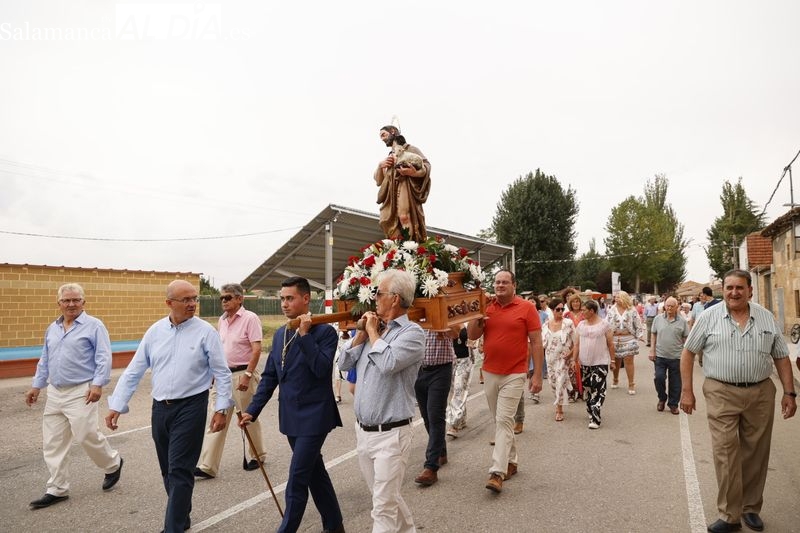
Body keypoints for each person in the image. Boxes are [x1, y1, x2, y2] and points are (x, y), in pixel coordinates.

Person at [106, 280, 233, 533]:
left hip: (191, 407)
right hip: (160, 409)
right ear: (169, 303)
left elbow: (222, 372)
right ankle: (181, 515)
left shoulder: (205, 332)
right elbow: (134, 370)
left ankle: (172, 527)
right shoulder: (155, 332)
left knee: (179, 469)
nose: (192, 304)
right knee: (167, 469)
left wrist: (221, 409)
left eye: (194, 299)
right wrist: (117, 404)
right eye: (185, 300)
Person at [680, 270, 796, 533]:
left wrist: (790, 393)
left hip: (760, 393)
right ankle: (730, 515)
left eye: (740, 288)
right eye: (729, 287)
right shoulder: (708, 317)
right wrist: (687, 391)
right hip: (721, 391)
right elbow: (687, 353)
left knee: (756, 452)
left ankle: (750, 508)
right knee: (726, 452)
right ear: (723, 290)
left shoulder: (766, 317)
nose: (734, 292)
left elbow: (781, 357)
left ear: (750, 290)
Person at [240, 277, 345, 533]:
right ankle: (335, 526)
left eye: (290, 298)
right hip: (291, 417)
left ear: (306, 299)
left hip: (315, 416)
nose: (284, 304)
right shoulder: (279, 334)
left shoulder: (325, 332)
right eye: (282, 299)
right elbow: (270, 377)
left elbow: (322, 370)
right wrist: (252, 410)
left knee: (297, 478)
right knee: (314, 475)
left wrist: (306, 336)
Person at [338, 269, 425, 533]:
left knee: (382, 506)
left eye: (379, 293)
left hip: (391, 435)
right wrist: (361, 336)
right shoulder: (371, 331)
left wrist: (373, 334)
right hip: (363, 432)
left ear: (395, 299)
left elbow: (388, 363)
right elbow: (342, 364)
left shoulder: (413, 333)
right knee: (385, 497)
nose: (374, 298)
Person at [26, 283, 123, 510]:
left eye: (76, 300)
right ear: (58, 303)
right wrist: (36, 386)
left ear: (83, 302)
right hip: (55, 392)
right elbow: (45, 359)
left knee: (86, 434)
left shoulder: (94, 326)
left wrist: (98, 384)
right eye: (66, 300)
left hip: (82, 391)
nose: (71, 304)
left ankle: (113, 463)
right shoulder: (53, 328)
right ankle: (57, 489)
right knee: (53, 442)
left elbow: (103, 357)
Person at [467, 269, 543, 494]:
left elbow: (537, 343)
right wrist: (479, 314)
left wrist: (537, 374)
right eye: (497, 282)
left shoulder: (527, 308)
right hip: (490, 371)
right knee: (501, 422)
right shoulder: (486, 306)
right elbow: (472, 335)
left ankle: (496, 472)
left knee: (503, 420)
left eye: (504, 282)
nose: (499, 286)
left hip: (515, 373)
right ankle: (511, 462)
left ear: (514, 286)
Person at [194, 283, 266, 479]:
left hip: (243, 374)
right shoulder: (222, 320)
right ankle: (208, 465)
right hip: (223, 376)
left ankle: (258, 455)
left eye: (228, 297)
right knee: (217, 417)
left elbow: (257, 349)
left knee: (248, 418)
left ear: (239, 299)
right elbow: (218, 350)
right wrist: (213, 374)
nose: (223, 301)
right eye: (222, 298)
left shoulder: (250, 318)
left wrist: (248, 374)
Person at [412, 326, 458, 486]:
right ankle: (441, 452)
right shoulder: (415, 313)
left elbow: (456, 332)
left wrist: (442, 325)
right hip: (419, 370)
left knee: (435, 416)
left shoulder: (443, 308)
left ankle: (431, 467)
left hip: (441, 370)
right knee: (427, 418)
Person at [374, 125, 431, 242]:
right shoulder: (388, 157)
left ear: (393, 132)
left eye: (383, 135)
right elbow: (379, 181)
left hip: (405, 185)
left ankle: (409, 248)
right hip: (390, 193)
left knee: (404, 217)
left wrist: (412, 173)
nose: (382, 139)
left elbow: (426, 166)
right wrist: (381, 166)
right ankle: (398, 251)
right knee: (387, 222)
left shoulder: (410, 149)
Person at [574, 300, 615, 429]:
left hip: (600, 362)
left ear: (592, 311)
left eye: (584, 310)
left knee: (597, 389)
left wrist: (613, 361)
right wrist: (573, 360)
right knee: (587, 388)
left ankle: (595, 418)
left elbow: (610, 344)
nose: (582, 312)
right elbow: (576, 344)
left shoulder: (604, 325)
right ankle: (591, 410)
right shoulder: (581, 325)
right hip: (584, 363)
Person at [648, 297, 688, 415]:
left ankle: (673, 404)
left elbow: (686, 339)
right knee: (659, 378)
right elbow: (653, 334)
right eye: (667, 306)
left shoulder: (682, 321)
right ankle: (662, 398)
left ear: (677, 307)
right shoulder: (658, 319)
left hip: (676, 356)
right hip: (660, 355)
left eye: (672, 306)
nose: (669, 308)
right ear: (664, 306)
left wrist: (686, 355)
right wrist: (652, 350)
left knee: (675, 382)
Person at [542, 298, 576, 422]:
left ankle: (559, 409)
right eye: (558, 309)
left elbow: (576, 342)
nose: (561, 311)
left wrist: (571, 356)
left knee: (560, 381)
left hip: (563, 359)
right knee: (552, 383)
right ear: (552, 310)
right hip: (550, 359)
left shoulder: (568, 323)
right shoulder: (546, 325)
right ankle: (558, 402)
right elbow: (543, 344)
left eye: (562, 309)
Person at [606, 290, 644, 395]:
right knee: (616, 361)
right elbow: (606, 323)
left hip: (629, 338)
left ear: (624, 298)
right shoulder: (611, 310)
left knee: (628, 360)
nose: (616, 299)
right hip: (615, 339)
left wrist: (640, 335)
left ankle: (631, 384)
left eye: (618, 297)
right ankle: (615, 379)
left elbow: (638, 323)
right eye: (615, 297)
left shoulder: (632, 310)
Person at [446, 324, 474, 438]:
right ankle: (461, 419)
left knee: (458, 390)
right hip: (449, 360)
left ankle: (453, 424)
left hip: (464, 361)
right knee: (452, 392)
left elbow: (474, 338)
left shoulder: (467, 320)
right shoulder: (446, 319)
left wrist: (474, 343)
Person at [563, 293, 585, 401]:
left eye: (577, 301)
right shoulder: (566, 315)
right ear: (570, 303)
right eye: (573, 302)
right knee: (571, 369)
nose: (576, 303)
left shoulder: (585, 313)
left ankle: (582, 392)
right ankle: (571, 392)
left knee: (582, 368)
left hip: (584, 344)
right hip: (570, 344)